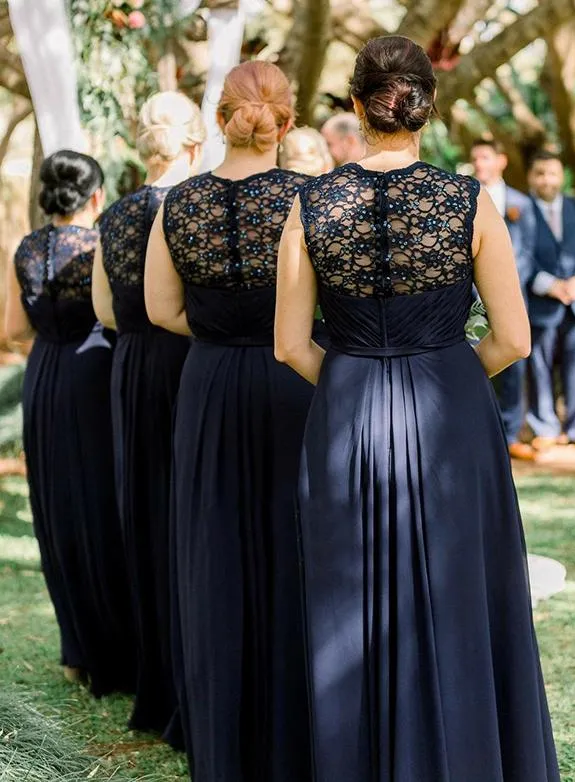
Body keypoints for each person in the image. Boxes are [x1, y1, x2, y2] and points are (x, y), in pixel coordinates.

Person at [276, 36, 560, 782]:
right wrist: (448, 373)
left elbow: (289, 347)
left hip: (346, 411)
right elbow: (513, 337)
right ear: (425, 105)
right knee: (462, 587)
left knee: (351, 600)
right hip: (451, 413)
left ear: (355, 106)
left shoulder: (309, 205)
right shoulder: (469, 201)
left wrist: (352, 381)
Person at [145, 61, 313, 782]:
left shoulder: (178, 204)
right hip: (294, 382)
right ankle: (299, 736)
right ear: (287, 120)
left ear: (221, 119)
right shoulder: (315, 198)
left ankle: (222, 742)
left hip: (209, 384)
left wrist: (219, 337)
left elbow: (160, 310)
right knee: (296, 550)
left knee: (213, 553)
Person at [92, 92, 204, 742]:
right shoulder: (191, 206)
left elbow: (104, 312)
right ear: (194, 146)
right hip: (187, 361)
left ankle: (154, 680)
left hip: (131, 364)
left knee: (146, 514)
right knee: (189, 516)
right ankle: (193, 679)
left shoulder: (115, 213)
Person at [5, 150, 136, 697]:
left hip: (44, 376)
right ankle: (117, 651)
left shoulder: (27, 248)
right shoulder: (102, 245)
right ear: (97, 197)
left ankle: (75, 651)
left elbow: (12, 327)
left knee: (54, 508)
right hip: (93, 373)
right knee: (103, 505)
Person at [527, 149, 575, 450]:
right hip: (540, 303)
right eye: (541, 173)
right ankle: (544, 427)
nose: (547, 180)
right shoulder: (520, 211)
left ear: (561, 177)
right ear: (532, 177)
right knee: (539, 367)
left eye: (553, 173)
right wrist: (549, 284)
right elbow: (516, 257)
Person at [471, 138, 537, 460]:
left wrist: (501, 286)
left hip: (511, 294)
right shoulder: (463, 200)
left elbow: (526, 250)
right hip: (468, 301)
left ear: (501, 160)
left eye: (485, 157)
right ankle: (483, 434)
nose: (479, 164)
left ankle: (511, 434)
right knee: (475, 362)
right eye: (475, 159)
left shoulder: (521, 203)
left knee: (512, 365)